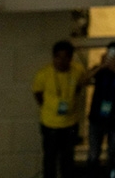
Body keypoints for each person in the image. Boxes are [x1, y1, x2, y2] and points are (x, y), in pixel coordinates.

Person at [33, 40, 88, 178]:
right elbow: (38, 93)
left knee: (68, 160)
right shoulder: (43, 74)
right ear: (54, 57)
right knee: (50, 160)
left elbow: (80, 86)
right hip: (50, 124)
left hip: (70, 124)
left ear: (70, 58)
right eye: (58, 57)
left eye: (66, 57)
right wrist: (50, 107)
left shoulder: (77, 71)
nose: (62, 61)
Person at [85, 42, 115, 178]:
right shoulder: (100, 71)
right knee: (93, 154)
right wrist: (101, 66)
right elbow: (84, 80)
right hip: (96, 120)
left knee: (113, 154)